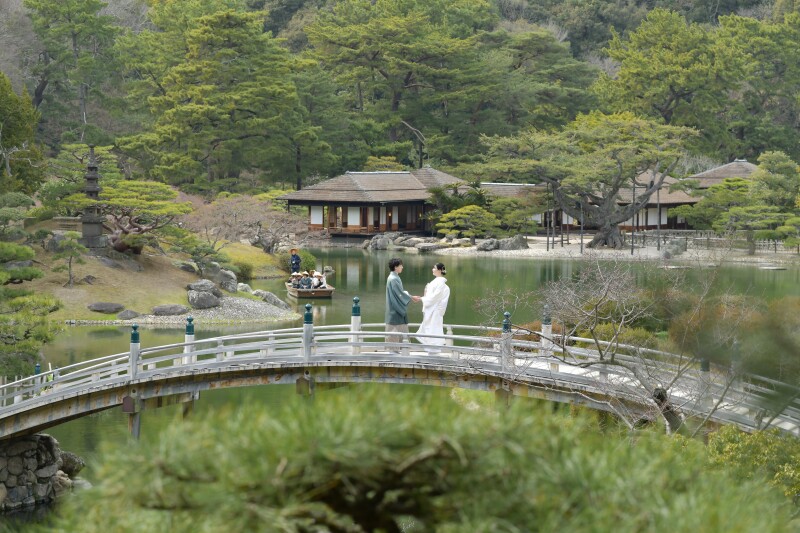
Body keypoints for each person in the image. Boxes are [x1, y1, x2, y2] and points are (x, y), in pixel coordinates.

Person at [414, 263, 450, 352]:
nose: (432, 269)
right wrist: (424, 296)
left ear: (440, 270)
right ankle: (431, 351)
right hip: (431, 309)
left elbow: (435, 297)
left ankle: (434, 351)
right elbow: (430, 296)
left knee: (434, 330)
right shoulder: (436, 282)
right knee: (430, 330)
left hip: (435, 311)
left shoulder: (441, 283)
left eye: (434, 268)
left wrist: (422, 299)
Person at [385, 258, 420, 344]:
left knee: (398, 332)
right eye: (400, 265)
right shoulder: (393, 279)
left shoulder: (394, 277)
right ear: (396, 267)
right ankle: (396, 351)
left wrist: (410, 296)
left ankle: (398, 350)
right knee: (395, 331)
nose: (402, 267)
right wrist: (411, 297)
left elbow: (400, 293)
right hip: (395, 310)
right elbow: (400, 294)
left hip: (395, 308)